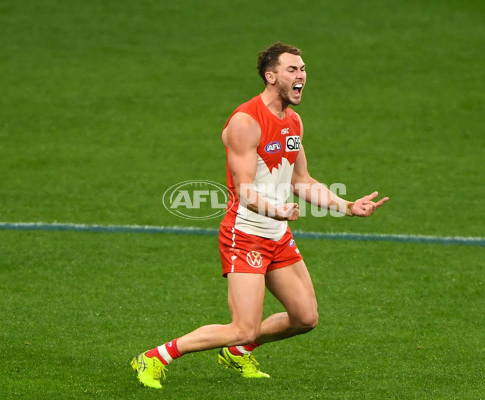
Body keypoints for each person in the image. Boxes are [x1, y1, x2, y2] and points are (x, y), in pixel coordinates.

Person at [131, 42, 389, 389]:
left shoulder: (293, 121)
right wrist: (276, 208)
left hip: (277, 234)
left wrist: (347, 207)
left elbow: (301, 181)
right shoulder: (245, 122)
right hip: (246, 233)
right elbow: (244, 190)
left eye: (303, 69)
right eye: (292, 70)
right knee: (243, 326)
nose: (302, 76)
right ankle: (155, 357)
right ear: (271, 76)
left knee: (305, 318)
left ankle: (237, 353)